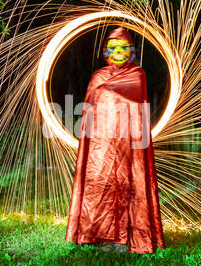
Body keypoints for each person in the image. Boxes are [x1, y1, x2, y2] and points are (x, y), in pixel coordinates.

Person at [65, 26, 165, 254]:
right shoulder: (97, 76)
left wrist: (106, 92)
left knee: (128, 186)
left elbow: (134, 104)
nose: (118, 52)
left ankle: (124, 238)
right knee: (100, 185)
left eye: (123, 47)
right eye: (113, 48)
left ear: (130, 51)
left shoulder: (137, 74)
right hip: (101, 143)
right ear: (105, 51)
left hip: (129, 143)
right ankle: (99, 234)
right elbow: (89, 108)